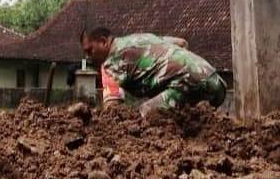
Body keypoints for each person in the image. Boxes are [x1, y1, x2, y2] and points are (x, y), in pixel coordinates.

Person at [80, 27, 226, 116]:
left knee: (146, 112)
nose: (88, 57)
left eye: (90, 50)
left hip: (187, 84)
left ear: (104, 42)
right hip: (217, 85)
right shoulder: (142, 37)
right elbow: (182, 42)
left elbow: (112, 109)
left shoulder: (109, 64)